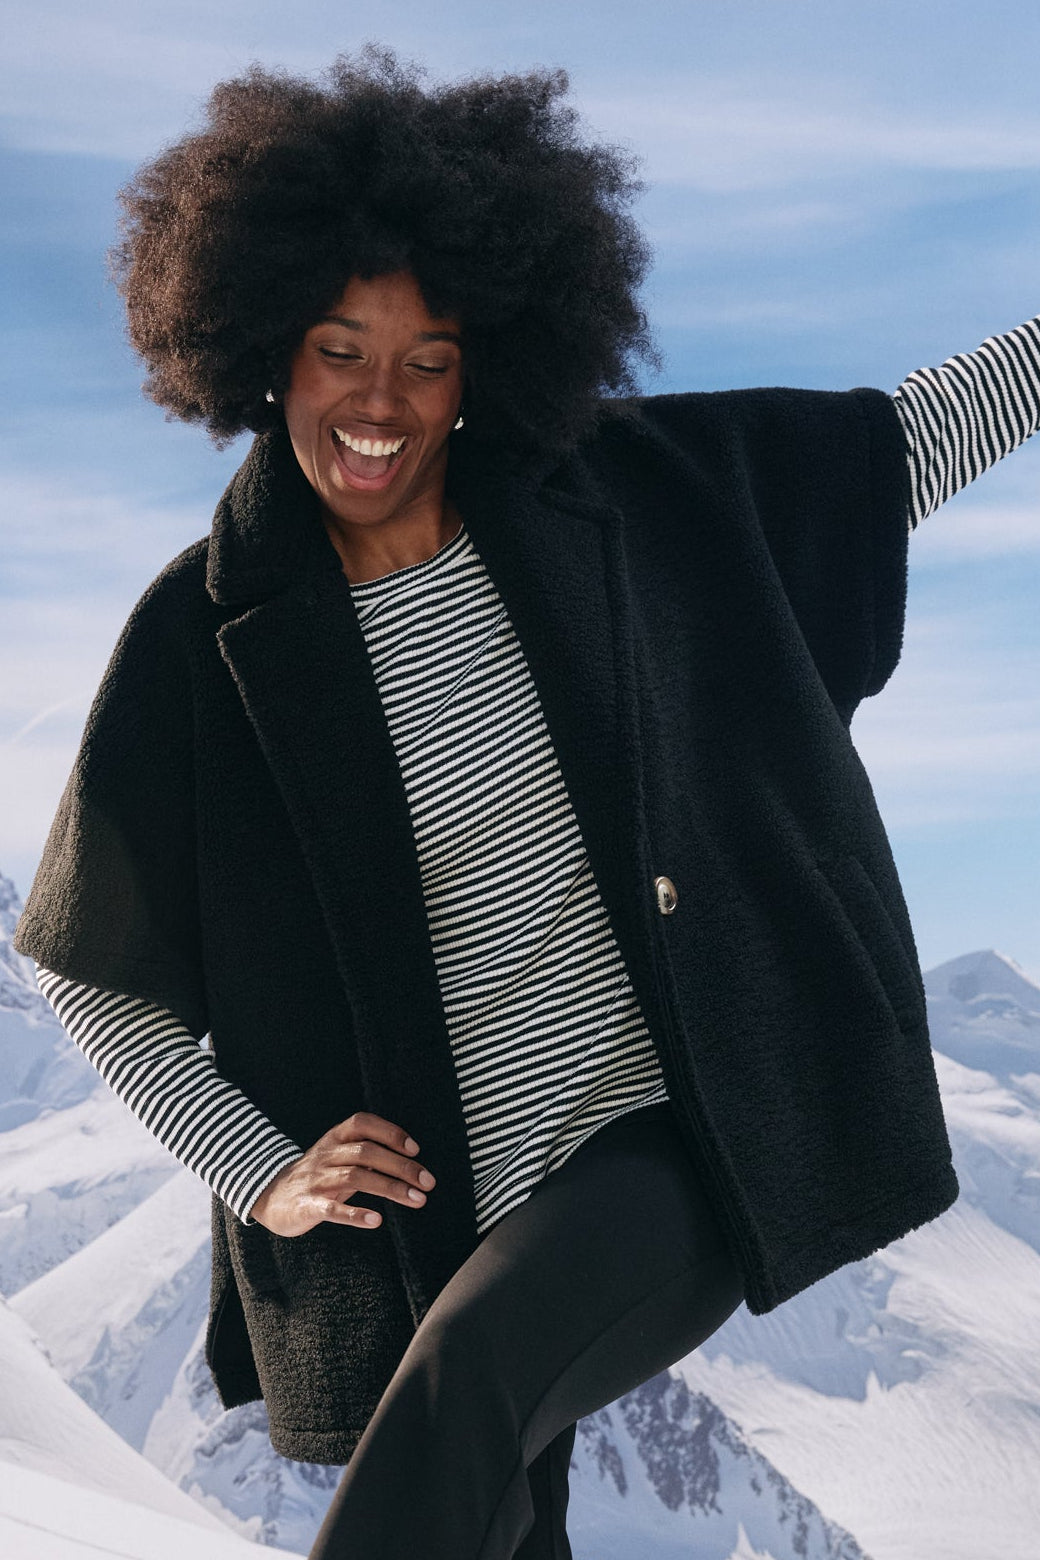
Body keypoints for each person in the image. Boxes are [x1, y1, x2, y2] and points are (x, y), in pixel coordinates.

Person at [13, 48, 1040, 1560]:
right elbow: (92, 966)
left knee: (473, 1384)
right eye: (340, 349)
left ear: (484, 361)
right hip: (444, 1223)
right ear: (262, 352)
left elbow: (889, 450)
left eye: (428, 358)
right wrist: (265, 1172)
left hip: (673, 1129)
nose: (381, 402)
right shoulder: (202, 644)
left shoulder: (618, 498)